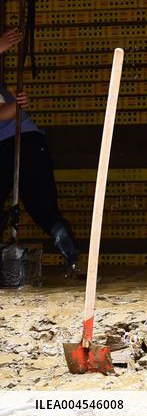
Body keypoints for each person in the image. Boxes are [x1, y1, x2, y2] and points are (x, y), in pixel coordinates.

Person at [0, 29, 80, 275]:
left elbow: (11, 112)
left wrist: (17, 104)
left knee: (44, 208)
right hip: (27, 144)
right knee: (44, 209)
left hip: (18, 145)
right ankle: (74, 261)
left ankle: (73, 259)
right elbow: (11, 111)